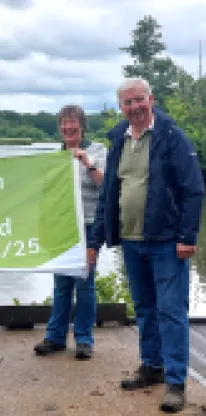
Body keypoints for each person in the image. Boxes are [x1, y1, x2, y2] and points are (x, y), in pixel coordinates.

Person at [87, 77, 204, 413]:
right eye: (128, 102)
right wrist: (95, 241)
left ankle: (176, 382)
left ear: (151, 99)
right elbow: (109, 195)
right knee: (145, 310)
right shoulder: (119, 141)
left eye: (140, 100)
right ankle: (151, 367)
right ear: (121, 108)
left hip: (167, 242)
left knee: (171, 312)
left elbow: (194, 189)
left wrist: (187, 237)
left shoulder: (171, 137)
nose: (135, 107)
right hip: (132, 242)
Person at [34, 104, 106, 360]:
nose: (68, 127)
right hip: (62, 227)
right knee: (61, 284)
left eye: (72, 122)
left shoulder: (98, 150)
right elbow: (47, 197)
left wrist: (88, 163)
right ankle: (55, 336)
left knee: (85, 285)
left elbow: (105, 186)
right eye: (64, 123)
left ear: (82, 125)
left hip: (87, 226)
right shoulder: (55, 158)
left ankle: (84, 340)